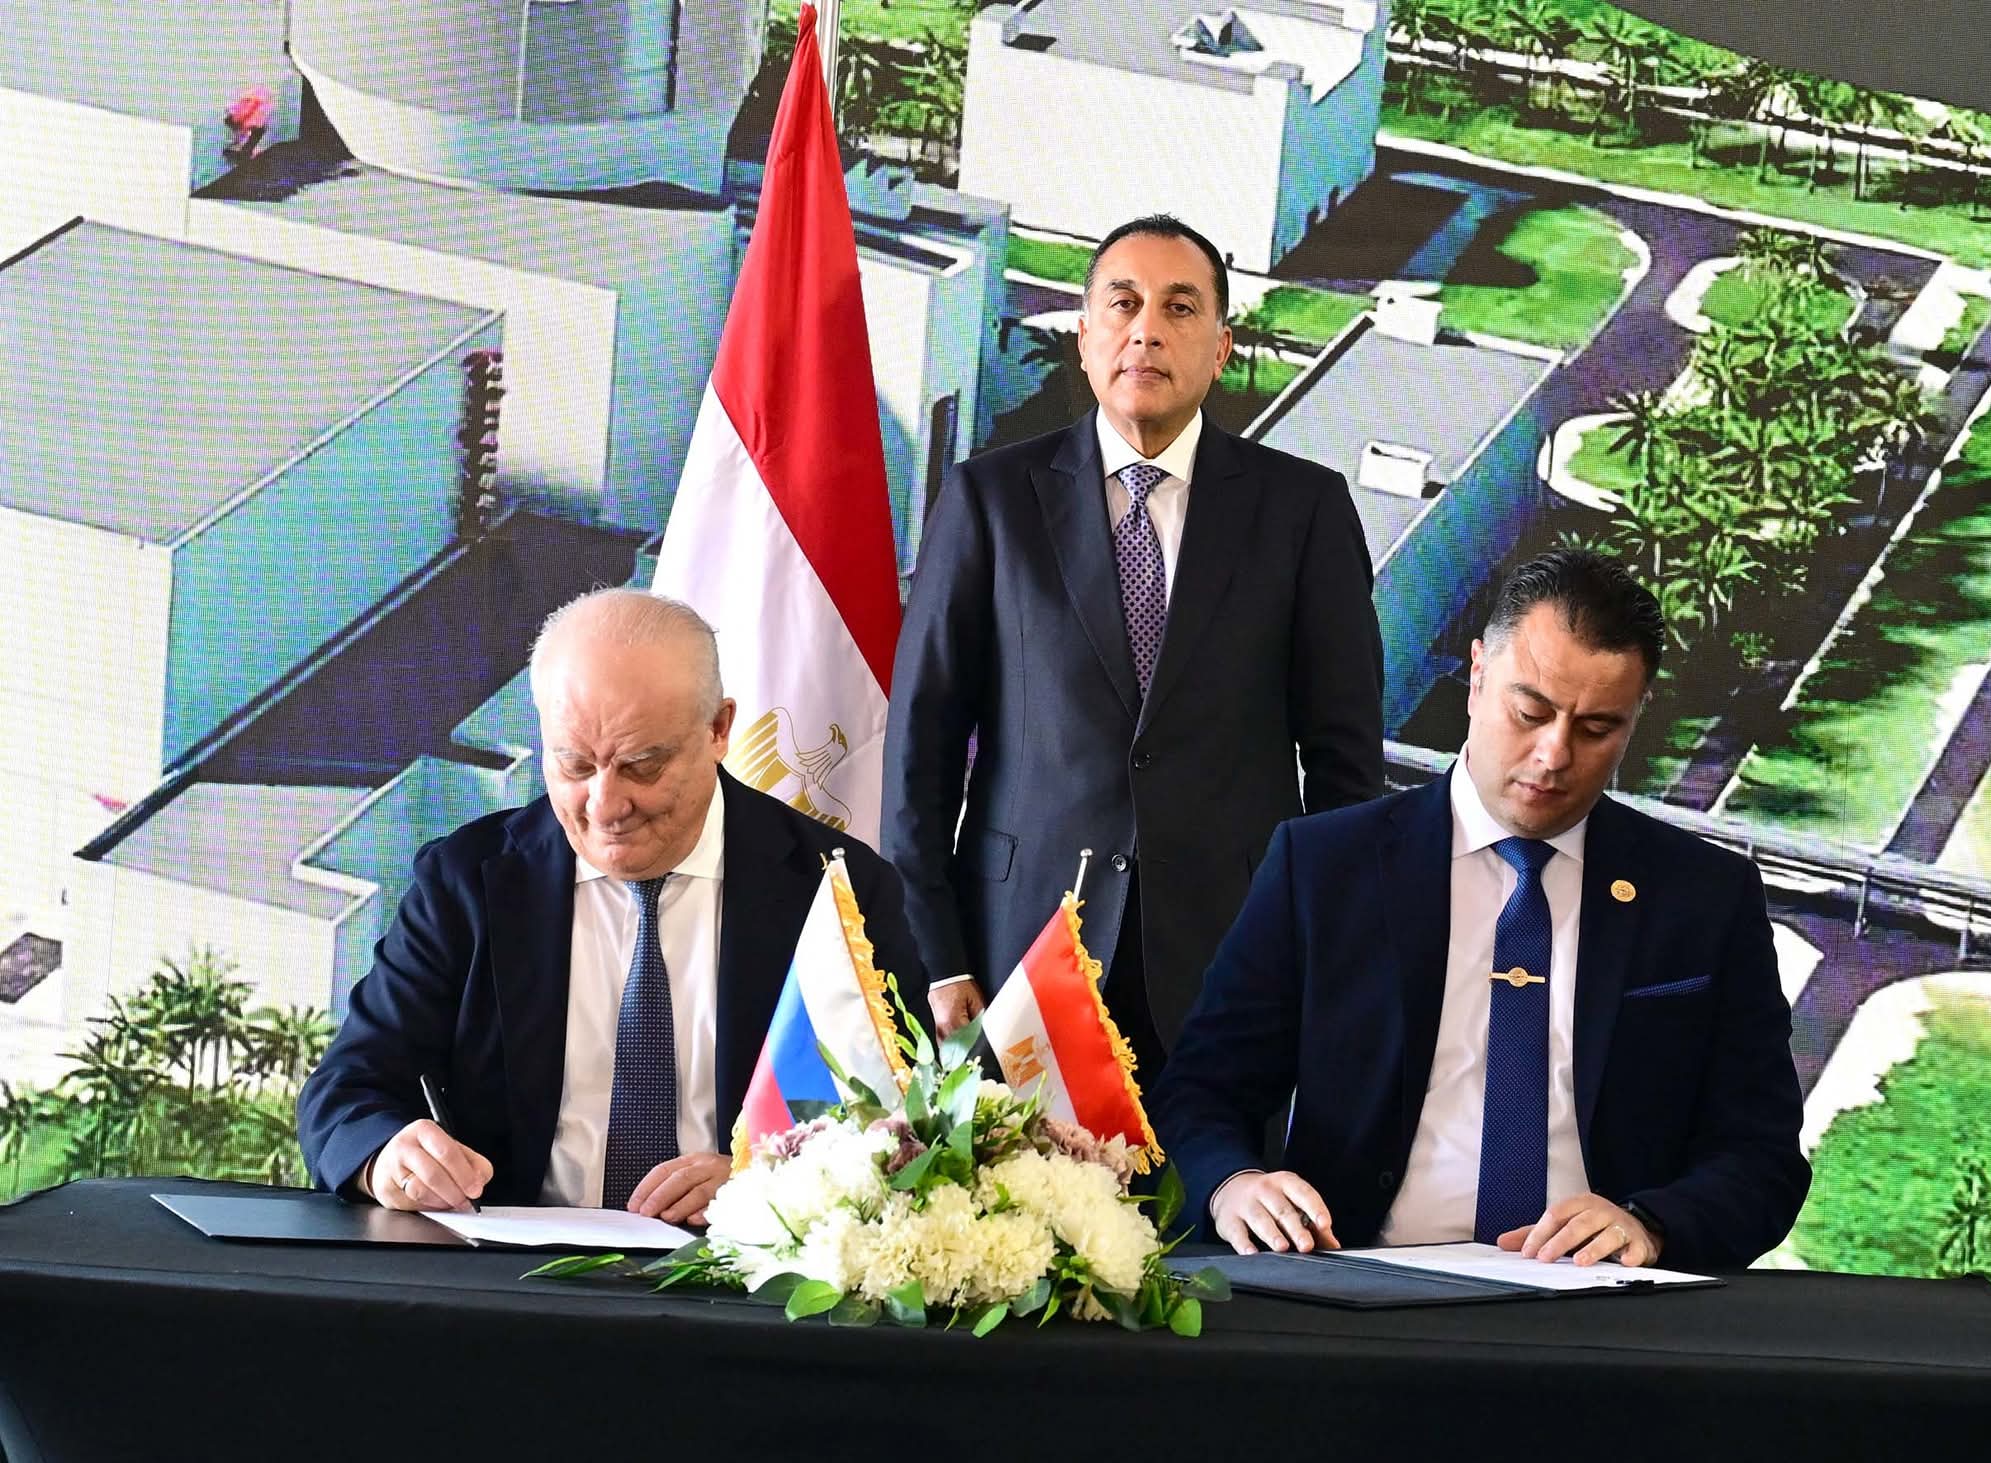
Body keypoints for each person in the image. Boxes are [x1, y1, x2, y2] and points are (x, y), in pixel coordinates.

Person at [1153, 550, 1809, 1271]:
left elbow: (1763, 1155)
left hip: (1601, 1300)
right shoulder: (1325, 868)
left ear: (1636, 718)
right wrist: (1233, 1185)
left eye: (1597, 729)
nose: (1554, 754)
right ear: (1476, 676)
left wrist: (1651, 1225)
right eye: (1530, 713)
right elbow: (1200, 1091)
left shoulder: (1703, 896)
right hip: (1357, 1282)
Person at [883, 213, 1383, 1083]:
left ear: (1221, 349)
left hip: (1236, 964)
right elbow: (919, 751)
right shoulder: (990, 503)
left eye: (1180, 307)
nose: (1146, 330)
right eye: (1123, 303)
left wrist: (1318, 952)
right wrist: (940, 956)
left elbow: (1347, 769)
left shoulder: (1303, 512)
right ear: (1085, 338)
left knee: (1215, 1174)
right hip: (1018, 958)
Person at [298, 589, 921, 1223]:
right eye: (574, 765)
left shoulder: (836, 889)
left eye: (642, 766)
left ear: (718, 729)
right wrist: (388, 1157)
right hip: (510, 1266)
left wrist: (766, 1183)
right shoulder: (467, 881)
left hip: (741, 1260)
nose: (605, 806)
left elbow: (911, 1124)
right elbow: (347, 1092)